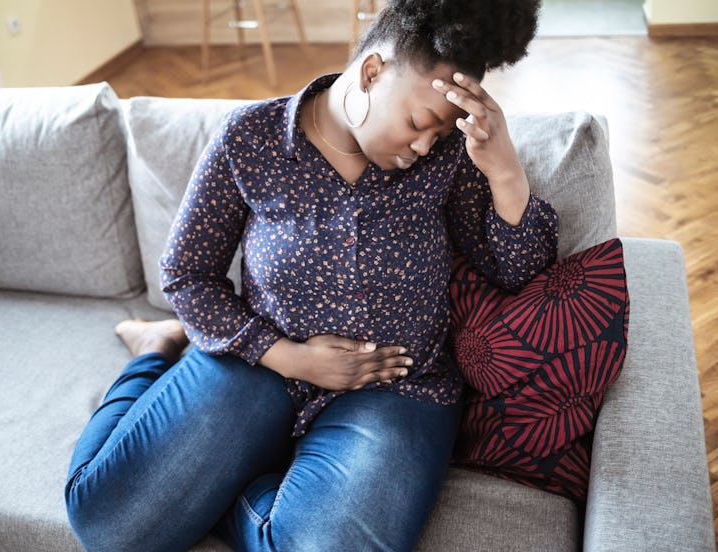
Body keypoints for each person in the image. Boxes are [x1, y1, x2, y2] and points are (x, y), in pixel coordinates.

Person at [65, 0, 557, 550]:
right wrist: (289, 357)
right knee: (106, 525)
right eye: (418, 123)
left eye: (439, 135)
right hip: (258, 368)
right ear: (373, 72)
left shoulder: (449, 159)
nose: (424, 146)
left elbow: (517, 272)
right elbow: (186, 274)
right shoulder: (249, 139)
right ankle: (153, 351)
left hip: (396, 388)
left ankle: (236, 495)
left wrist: (505, 171)